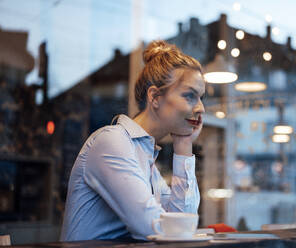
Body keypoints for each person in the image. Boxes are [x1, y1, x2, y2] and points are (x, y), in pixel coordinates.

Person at [60, 40, 205, 241]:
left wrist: (184, 145)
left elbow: (183, 226)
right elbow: (153, 229)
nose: (201, 108)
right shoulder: (112, 141)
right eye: (190, 96)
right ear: (155, 97)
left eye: (201, 98)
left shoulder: (147, 160)